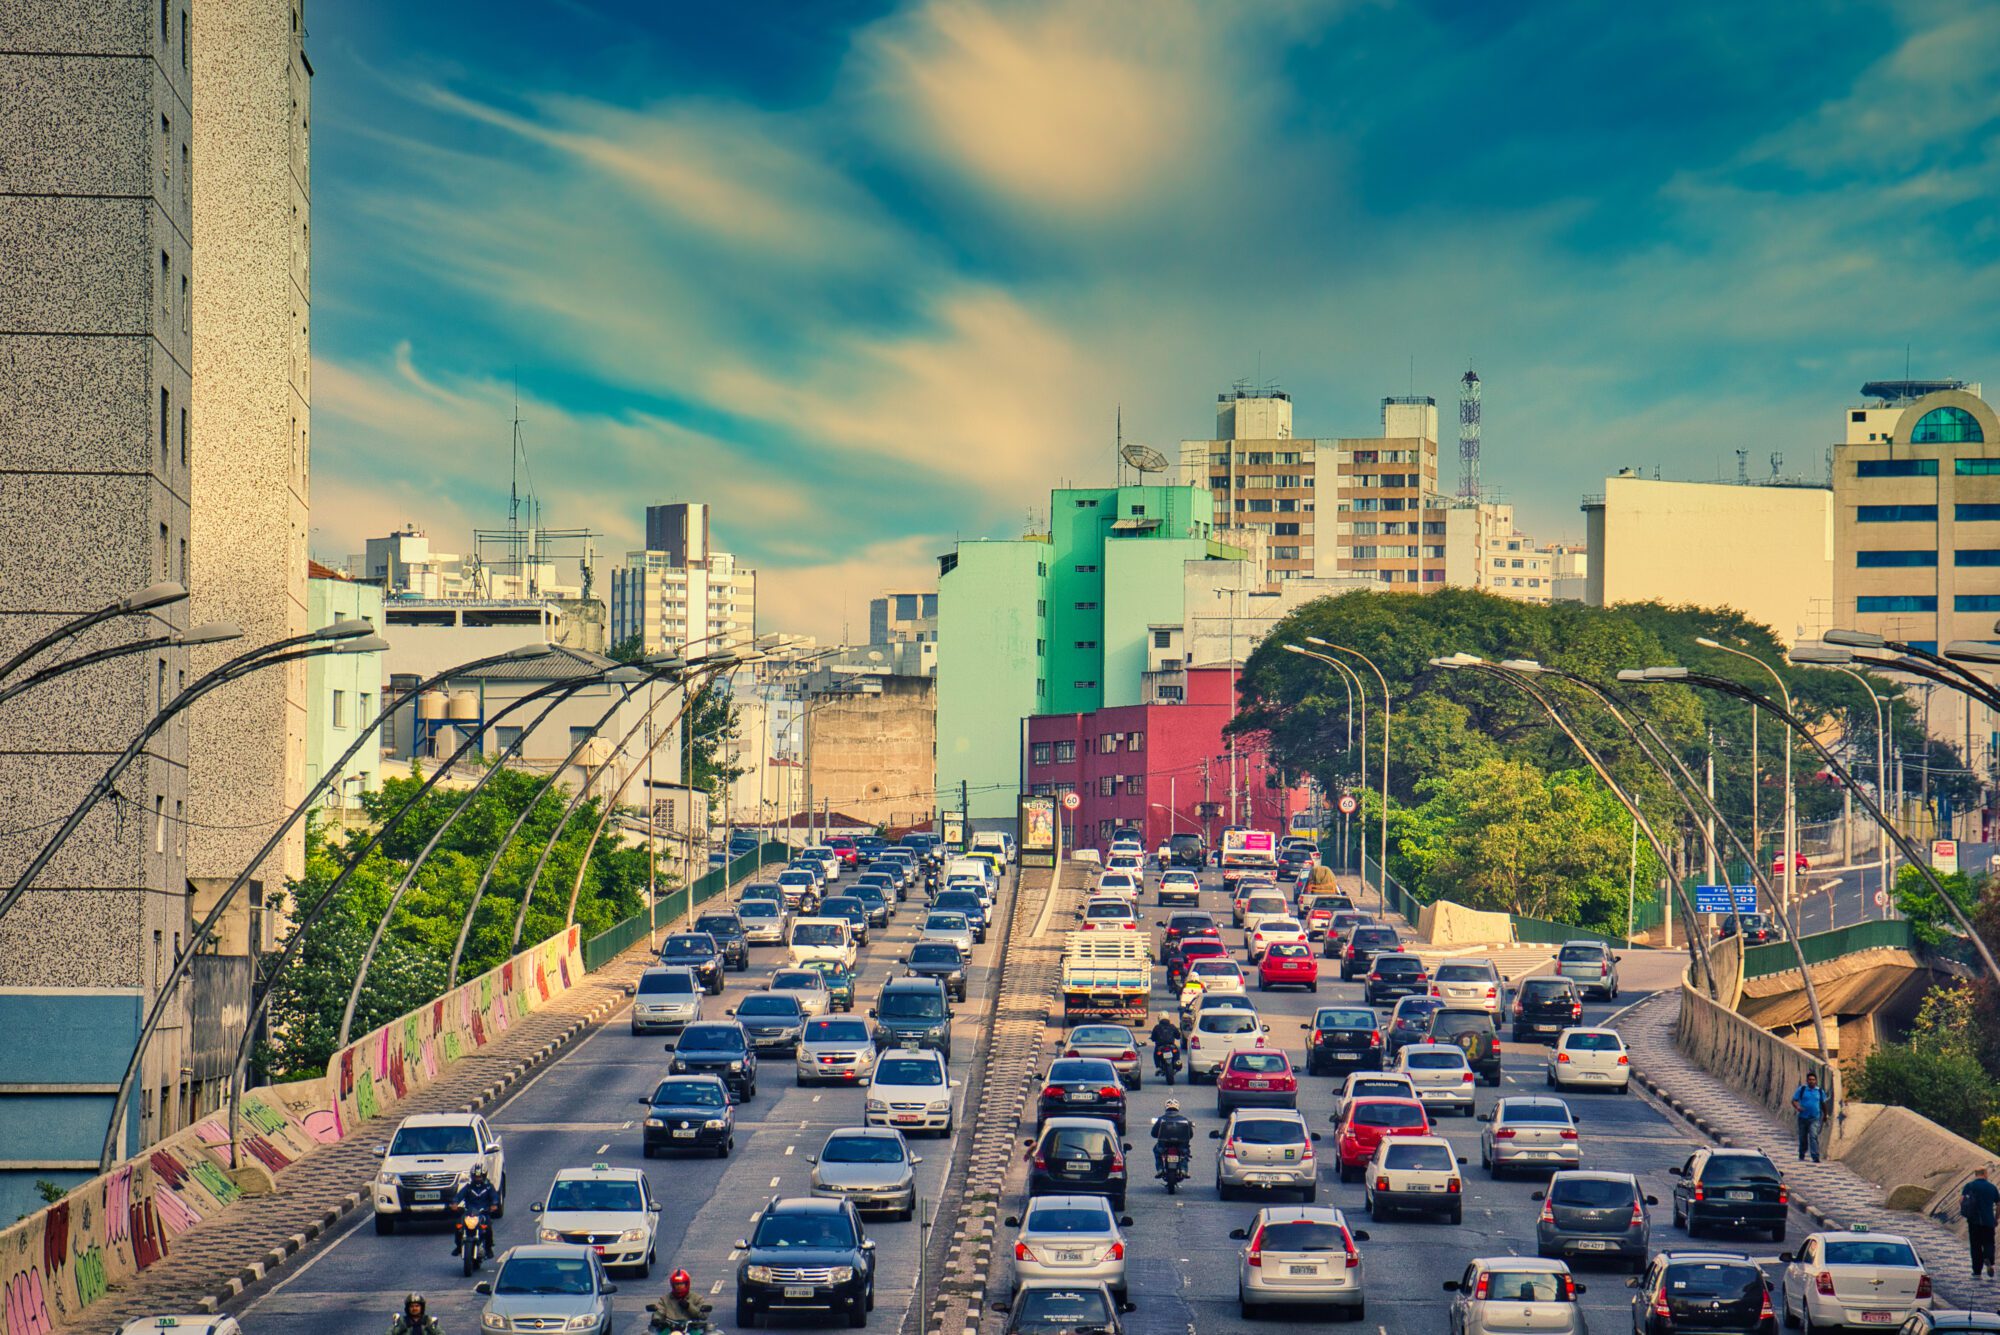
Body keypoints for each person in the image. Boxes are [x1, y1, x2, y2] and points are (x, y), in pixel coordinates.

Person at [450, 1165, 501, 1257]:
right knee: (458, 1227)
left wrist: (494, 1204)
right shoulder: (468, 1187)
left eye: (479, 1177)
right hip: (469, 1213)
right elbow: (459, 1195)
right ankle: (458, 1246)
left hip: (483, 1213)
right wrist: (455, 1203)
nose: (478, 1179)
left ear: (484, 1176)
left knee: (488, 1228)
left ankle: (488, 1248)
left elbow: (494, 1197)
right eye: (475, 1177)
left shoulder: (489, 1187)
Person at [1964, 1166, 2000, 1278]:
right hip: (1988, 1221)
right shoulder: (1992, 1187)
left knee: (1975, 1246)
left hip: (1974, 1221)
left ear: (1976, 1174)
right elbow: (1999, 1204)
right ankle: (1988, 1259)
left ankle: (1977, 1272)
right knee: (1989, 1243)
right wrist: (1996, 1217)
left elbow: (1962, 1200)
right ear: (1985, 1173)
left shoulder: (1969, 1186)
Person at [1151, 1098, 1194, 1177]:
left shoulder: (1161, 1119)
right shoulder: (1184, 1119)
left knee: (1157, 1151)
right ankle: (1183, 1169)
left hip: (1164, 1144)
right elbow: (1190, 1135)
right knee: (1185, 1153)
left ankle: (1160, 1168)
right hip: (1180, 1144)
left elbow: (1153, 1133)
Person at [1790, 1071, 1827, 1163]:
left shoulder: (1819, 1091)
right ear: (1807, 1080)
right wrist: (1798, 1107)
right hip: (1803, 1118)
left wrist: (1825, 1115)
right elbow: (1794, 1100)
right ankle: (1802, 1153)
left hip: (1814, 1118)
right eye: (1810, 1080)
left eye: (1813, 1080)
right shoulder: (1802, 1089)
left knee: (1813, 1136)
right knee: (1803, 1137)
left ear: (1816, 1081)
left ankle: (1815, 1156)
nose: (1811, 1081)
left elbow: (1823, 1104)